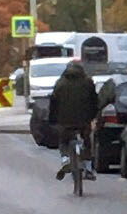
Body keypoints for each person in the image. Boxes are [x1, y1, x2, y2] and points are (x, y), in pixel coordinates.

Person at [43, 39, 110, 177]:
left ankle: (65, 159)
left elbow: (54, 102)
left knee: (63, 141)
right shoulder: (87, 82)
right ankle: (89, 168)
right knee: (86, 141)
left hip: (65, 121)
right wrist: (93, 117)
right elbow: (94, 101)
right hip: (83, 121)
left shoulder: (61, 83)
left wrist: (52, 119)